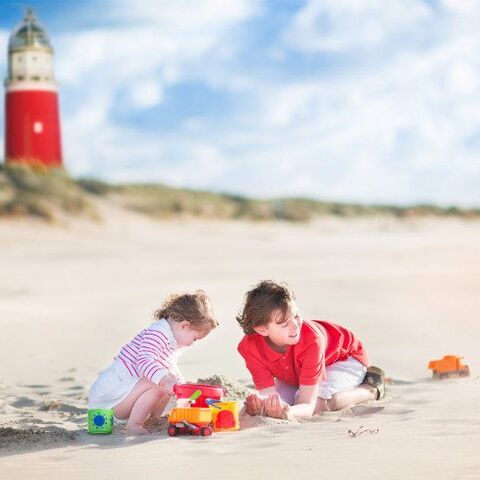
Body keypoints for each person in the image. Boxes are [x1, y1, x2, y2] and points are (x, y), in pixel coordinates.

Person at [236, 280, 385, 420]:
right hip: (298, 372)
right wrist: (263, 407)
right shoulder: (250, 348)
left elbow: (307, 406)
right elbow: (268, 397)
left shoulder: (311, 340)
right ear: (262, 329)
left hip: (344, 359)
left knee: (320, 405)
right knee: (274, 403)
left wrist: (286, 413)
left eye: (296, 316)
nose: (296, 326)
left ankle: (370, 389)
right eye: (284, 324)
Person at [88, 290, 218, 434]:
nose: (192, 344)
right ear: (184, 325)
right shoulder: (157, 333)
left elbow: (169, 368)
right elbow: (144, 361)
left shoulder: (171, 341)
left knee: (168, 383)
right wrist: (165, 380)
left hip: (126, 397)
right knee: (158, 384)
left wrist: (180, 385)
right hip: (110, 400)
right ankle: (134, 425)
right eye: (194, 338)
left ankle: (153, 418)